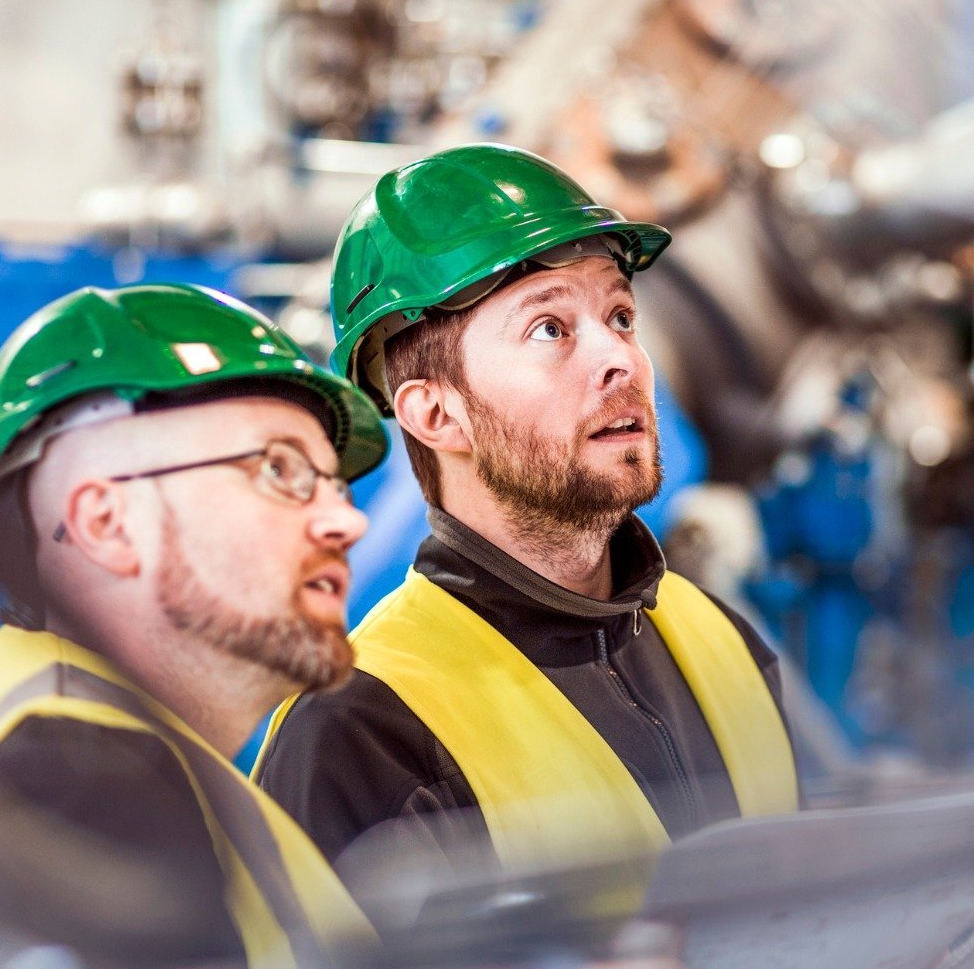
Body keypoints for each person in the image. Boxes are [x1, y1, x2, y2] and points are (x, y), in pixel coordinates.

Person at [255, 144, 800, 896]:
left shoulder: (723, 640)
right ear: (438, 413)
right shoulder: (361, 730)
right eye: (551, 329)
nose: (622, 360)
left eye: (620, 315)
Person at [0, 282, 388, 967]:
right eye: (279, 469)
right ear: (106, 524)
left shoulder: (142, 760)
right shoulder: (71, 788)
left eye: (337, 486)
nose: (348, 521)